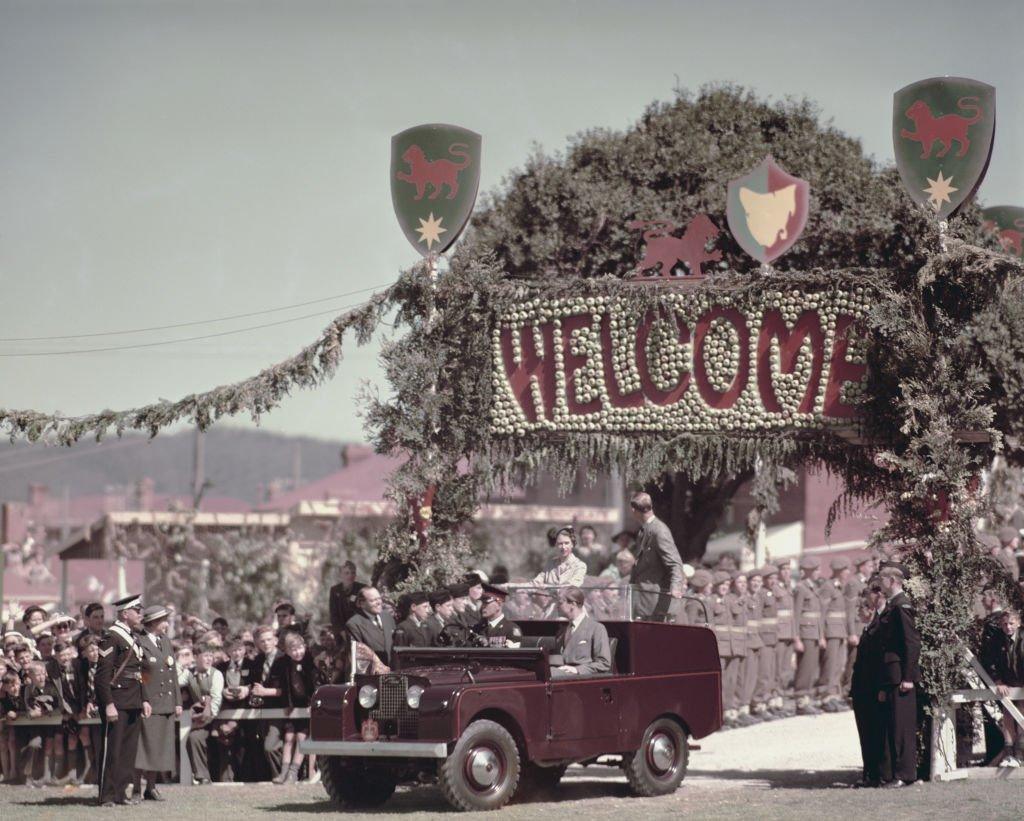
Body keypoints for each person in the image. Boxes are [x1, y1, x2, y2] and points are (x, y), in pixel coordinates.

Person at [95, 594, 152, 806]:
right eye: (137, 611)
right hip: (117, 700)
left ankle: (120, 794)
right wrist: (108, 703)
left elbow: (142, 672)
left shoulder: (134, 637)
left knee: (128, 751)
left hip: (134, 699)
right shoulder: (112, 636)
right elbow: (102, 676)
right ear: (125, 613)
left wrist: (145, 698)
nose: (140, 614)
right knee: (113, 749)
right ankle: (107, 795)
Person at [875, 562, 921, 787]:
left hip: (900, 675)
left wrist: (909, 677)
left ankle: (905, 775)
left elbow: (911, 643)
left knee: (902, 727)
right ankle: (897, 774)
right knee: (893, 725)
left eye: (882, 580)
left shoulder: (902, 606)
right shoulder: (893, 605)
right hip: (891, 674)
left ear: (892, 581)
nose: (879, 584)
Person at [135, 605, 180, 800]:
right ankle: (136, 788)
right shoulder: (140, 641)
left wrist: (177, 701)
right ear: (153, 622)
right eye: (164, 621)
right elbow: (140, 675)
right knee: (143, 748)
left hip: (166, 704)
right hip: (149, 704)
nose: (167, 624)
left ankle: (151, 787)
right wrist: (143, 698)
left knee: (159, 748)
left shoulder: (165, 641)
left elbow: (173, 673)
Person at [851, 577, 887, 787]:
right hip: (862, 690)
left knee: (872, 734)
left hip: (869, 690)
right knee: (866, 734)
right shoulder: (868, 629)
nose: (858, 614)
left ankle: (874, 774)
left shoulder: (875, 629)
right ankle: (869, 773)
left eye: (861, 609)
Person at [626, 492, 685, 621]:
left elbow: (675, 563)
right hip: (642, 600)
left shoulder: (659, 531)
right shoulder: (646, 529)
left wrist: (676, 588)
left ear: (633, 510)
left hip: (654, 604)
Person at [979, 608, 1024, 766]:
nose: (1008, 627)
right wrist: (998, 681)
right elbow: (991, 662)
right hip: (1008, 683)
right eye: (1005, 624)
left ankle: (1019, 754)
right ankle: (1009, 754)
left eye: (1011, 623)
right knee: (1008, 715)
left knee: (1021, 716)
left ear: (1018, 623)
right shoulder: (997, 641)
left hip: (1022, 682)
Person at [275, 632, 318, 784]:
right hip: (293, 707)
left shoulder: (311, 663)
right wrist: (287, 704)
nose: (297, 652)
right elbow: (285, 687)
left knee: (301, 738)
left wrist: (311, 703)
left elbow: (316, 685)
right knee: (288, 737)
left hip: (307, 706)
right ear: (287, 652)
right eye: (293, 650)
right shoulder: (284, 664)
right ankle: (284, 773)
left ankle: (294, 772)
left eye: (300, 648)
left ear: (305, 647)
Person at [250, 625, 287, 781]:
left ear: (276, 640)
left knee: (271, 746)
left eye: (269, 640)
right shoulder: (258, 660)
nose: (266, 643)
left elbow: (288, 690)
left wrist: (266, 692)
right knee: (260, 746)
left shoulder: (285, 659)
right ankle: (276, 777)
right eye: (262, 641)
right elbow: (254, 683)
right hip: (261, 710)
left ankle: (283, 777)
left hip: (282, 710)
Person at [186, 643, 224, 784]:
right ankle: (201, 777)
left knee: (198, 737)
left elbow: (216, 701)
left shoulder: (216, 674)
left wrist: (202, 720)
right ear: (196, 657)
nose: (209, 659)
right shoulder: (188, 673)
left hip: (214, 719)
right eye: (205, 656)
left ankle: (211, 776)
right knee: (192, 737)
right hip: (194, 720)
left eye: (211, 656)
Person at [552, 588, 611, 678]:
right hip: (560, 676)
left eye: (560, 602)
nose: (557, 606)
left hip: (581, 679)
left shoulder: (596, 629)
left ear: (573, 604)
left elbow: (604, 663)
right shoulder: (561, 631)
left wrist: (577, 669)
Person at [345, 588, 396, 667]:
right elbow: (359, 654)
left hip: (394, 671)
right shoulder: (354, 624)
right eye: (373, 600)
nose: (378, 603)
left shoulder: (387, 617)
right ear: (362, 603)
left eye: (379, 599)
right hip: (372, 673)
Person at [328, 561, 366, 640]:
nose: (350, 576)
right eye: (347, 573)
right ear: (341, 575)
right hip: (341, 632)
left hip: (359, 631)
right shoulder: (335, 591)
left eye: (353, 573)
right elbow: (334, 615)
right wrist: (342, 632)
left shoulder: (362, 589)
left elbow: (365, 612)